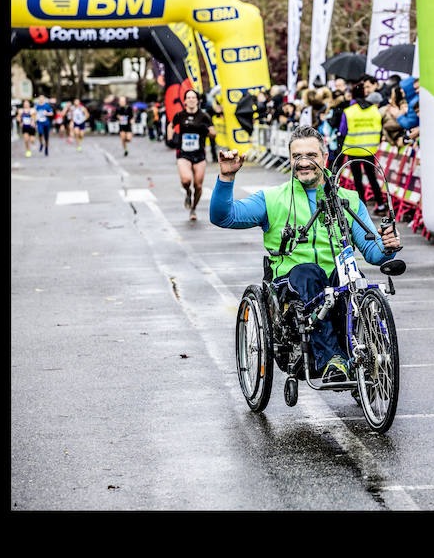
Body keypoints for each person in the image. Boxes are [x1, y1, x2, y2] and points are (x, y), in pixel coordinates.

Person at [210, 125, 401, 383]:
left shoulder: (348, 199)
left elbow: (371, 251)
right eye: (296, 156)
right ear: (290, 159)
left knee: (352, 282)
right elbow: (223, 216)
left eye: (311, 155)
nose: (303, 162)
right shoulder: (273, 199)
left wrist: (387, 247)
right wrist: (226, 178)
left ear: (325, 158)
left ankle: (360, 357)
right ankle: (332, 359)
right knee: (310, 273)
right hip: (292, 283)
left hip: (336, 280)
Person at [338, 81, 388, 214]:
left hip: (353, 149)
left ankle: (363, 205)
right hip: (369, 150)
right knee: (372, 177)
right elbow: (379, 128)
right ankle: (381, 204)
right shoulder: (374, 111)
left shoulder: (349, 111)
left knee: (357, 179)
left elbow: (343, 130)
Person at [168, 89, 216, 221]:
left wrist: (206, 130)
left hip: (199, 155)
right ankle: (188, 192)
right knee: (186, 180)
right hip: (184, 154)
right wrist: (170, 138)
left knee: (198, 186)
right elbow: (170, 126)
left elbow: (214, 133)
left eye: (193, 97)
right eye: (188, 97)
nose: (191, 100)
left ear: (198, 100)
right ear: (184, 101)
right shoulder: (180, 115)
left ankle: (193, 208)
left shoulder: (204, 116)